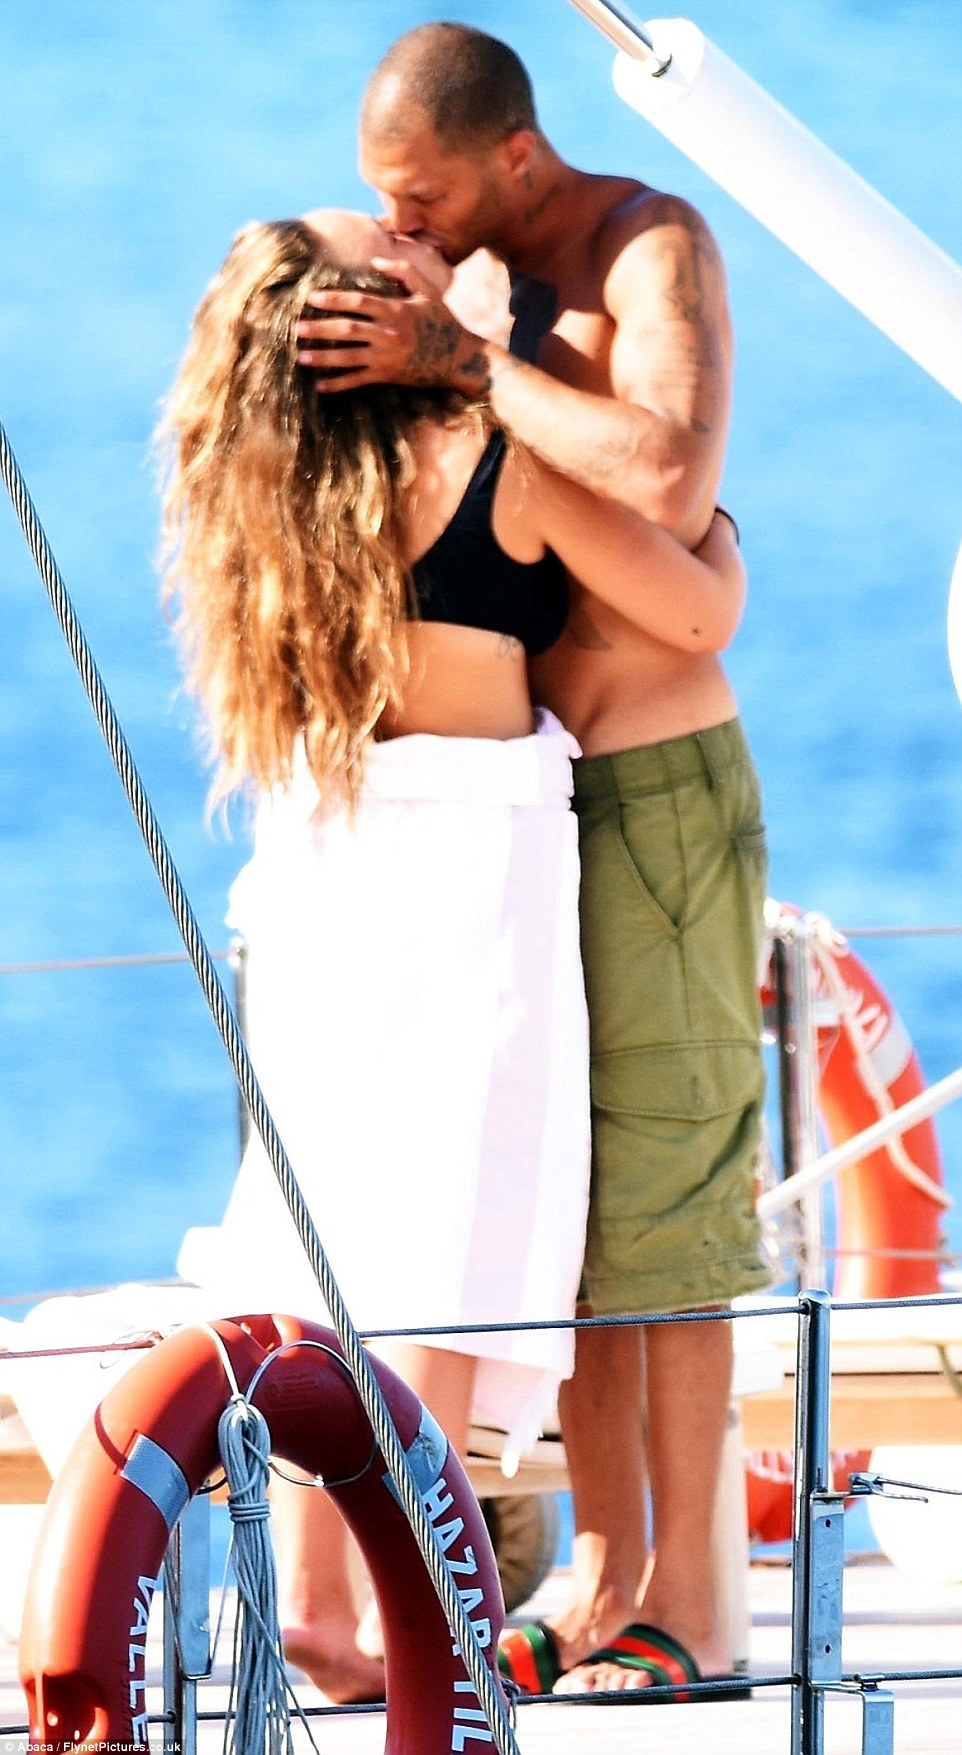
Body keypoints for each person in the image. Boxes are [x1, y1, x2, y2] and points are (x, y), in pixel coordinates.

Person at [158, 208, 748, 1702]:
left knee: (329, 1223)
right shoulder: (494, 464)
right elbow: (693, 611)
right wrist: (721, 536)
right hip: (473, 862)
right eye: (391, 249)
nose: (424, 248)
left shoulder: (249, 496)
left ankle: (313, 1602)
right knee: (448, 1239)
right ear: (371, 319)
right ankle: (409, 1604)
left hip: (317, 858)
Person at [296, 23, 772, 1697]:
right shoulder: (467, 280)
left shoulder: (645, 245)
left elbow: (670, 475)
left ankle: (688, 1603)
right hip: (525, 807)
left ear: (512, 152)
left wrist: (463, 362)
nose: (401, 227)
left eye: (420, 195)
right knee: (565, 1212)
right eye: (381, 201)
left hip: (650, 790)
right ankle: (594, 1574)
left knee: (668, 1216)